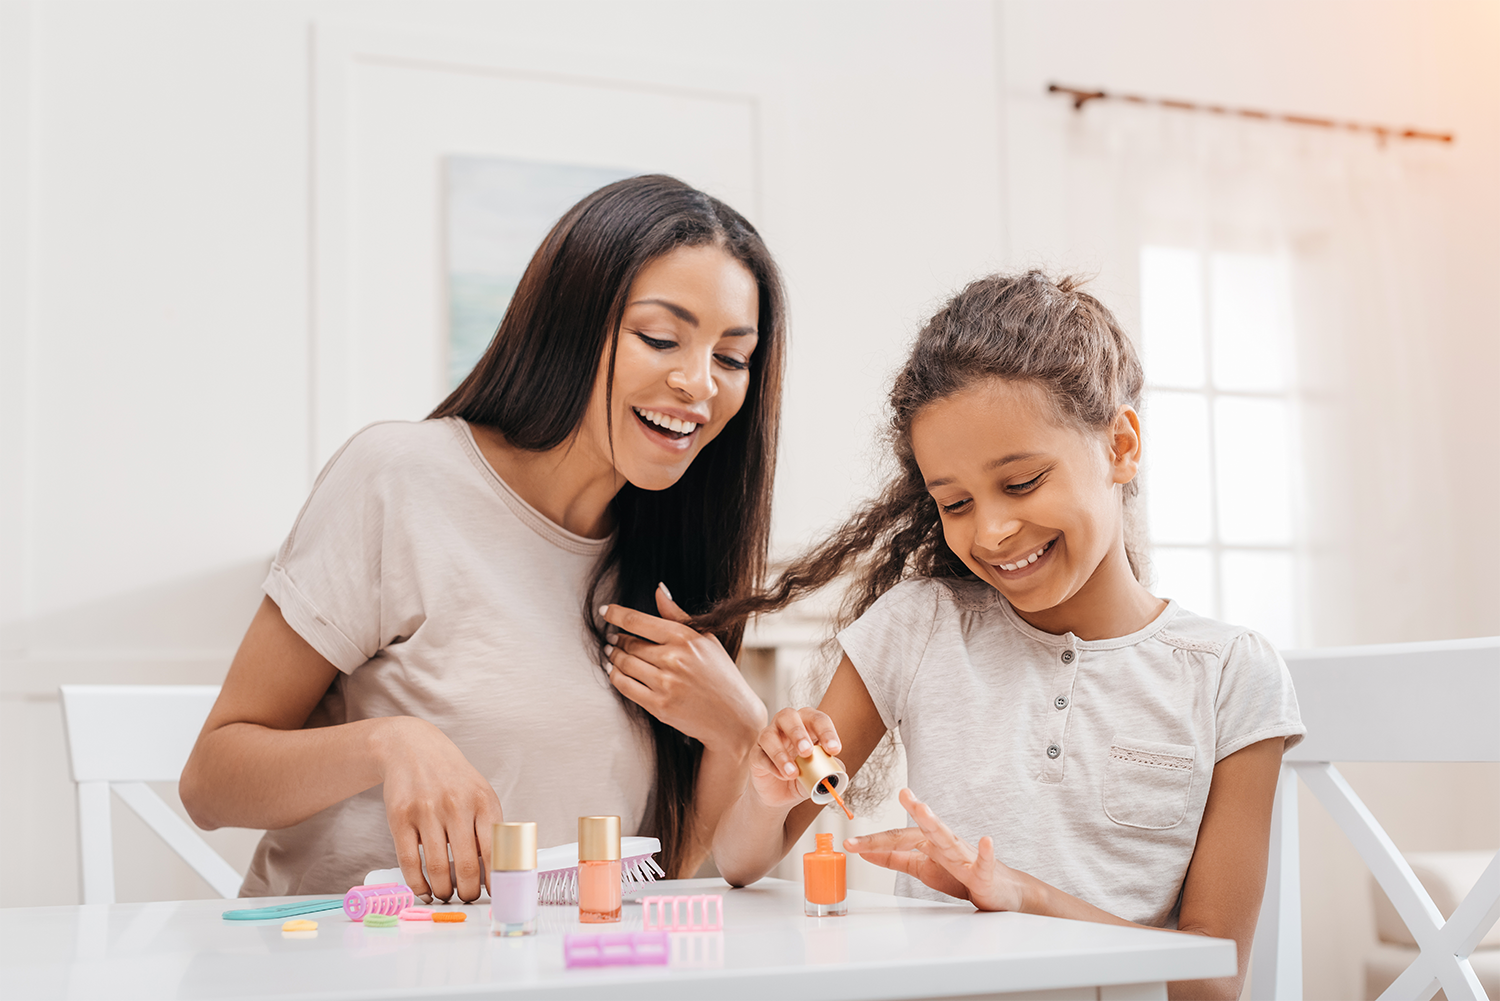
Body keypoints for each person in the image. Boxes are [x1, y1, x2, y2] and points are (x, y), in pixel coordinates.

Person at [180, 175, 785, 901]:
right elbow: (211, 782)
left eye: (731, 357)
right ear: (572, 320)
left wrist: (731, 732)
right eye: (661, 338)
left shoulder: (672, 559)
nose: (699, 383)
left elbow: (658, 881)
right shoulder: (398, 477)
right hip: (343, 968)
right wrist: (390, 741)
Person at [708, 272, 1303, 1001]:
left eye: (1021, 483)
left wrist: (1026, 897)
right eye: (954, 502)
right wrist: (767, 796)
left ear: (1120, 444)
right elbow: (740, 862)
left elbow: (1213, 978)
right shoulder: (920, 626)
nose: (990, 530)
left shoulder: (1230, 675)